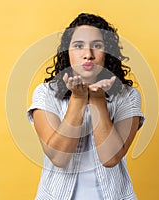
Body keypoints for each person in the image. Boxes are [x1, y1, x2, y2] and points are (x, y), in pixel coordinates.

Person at [27, 13, 145, 200]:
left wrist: (97, 100)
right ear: (68, 51)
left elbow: (111, 158)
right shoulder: (45, 93)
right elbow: (59, 157)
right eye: (78, 46)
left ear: (108, 52)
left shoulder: (128, 96)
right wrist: (78, 99)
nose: (88, 54)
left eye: (97, 46)